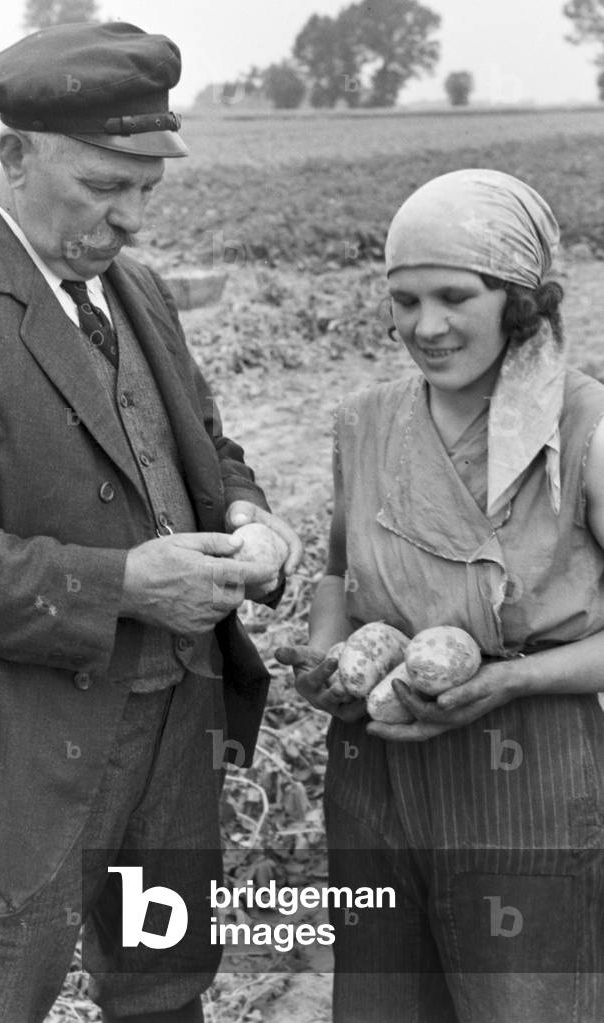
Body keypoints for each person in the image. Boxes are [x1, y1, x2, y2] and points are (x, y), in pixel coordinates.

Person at [0, 21, 301, 1023]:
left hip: (177, 724)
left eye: (147, 188)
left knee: (163, 983)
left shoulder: (133, 288)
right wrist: (124, 586)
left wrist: (251, 518)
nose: (130, 218)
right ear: (13, 156)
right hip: (17, 742)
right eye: (101, 188)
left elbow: (206, 446)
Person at [277, 169, 604, 1023]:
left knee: (524, 1002)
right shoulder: (366, 419)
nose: (425, 326)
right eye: (404, 298)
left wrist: (508, 680)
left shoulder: (581, 428)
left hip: (526, 767)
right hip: (375, 761)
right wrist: (327, 652)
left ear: (522, 302)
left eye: (454, 296)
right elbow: (338, 573)